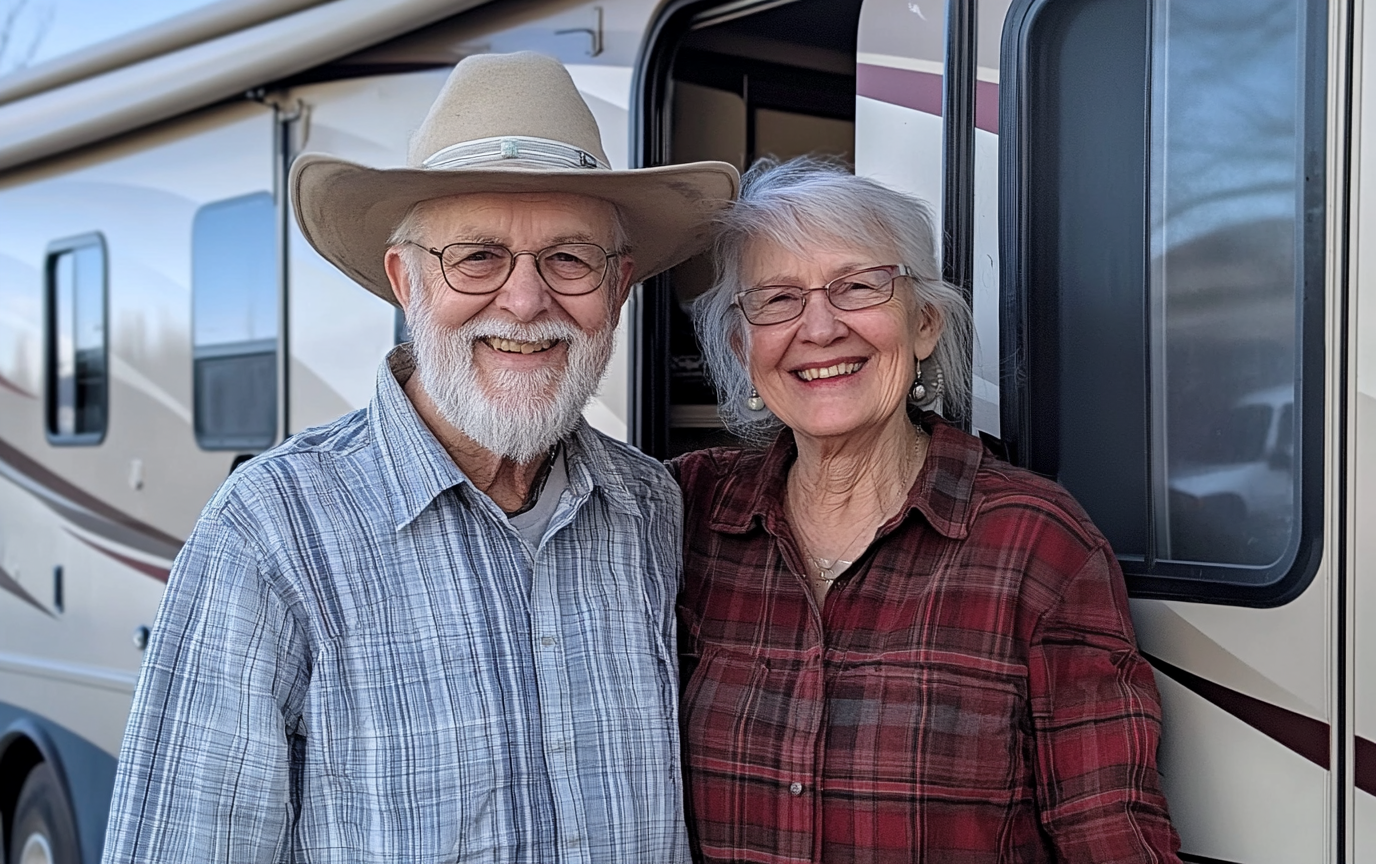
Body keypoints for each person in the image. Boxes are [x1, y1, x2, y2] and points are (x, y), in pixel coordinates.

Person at [100, 52, 737, 863]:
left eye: (569, 258)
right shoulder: (272, 534)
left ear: (616, 289)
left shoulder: (650, 509)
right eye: (477, 256)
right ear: (407, 282)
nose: (526, 299)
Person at [673, 159, 1181, 863]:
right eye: (778, 299)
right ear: (742, 347)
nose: (818, 329)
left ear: (924, 325)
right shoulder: (681, 513)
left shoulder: (1037, 544)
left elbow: (1110, 836)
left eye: (857, 287)